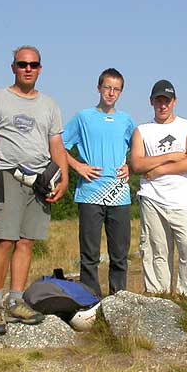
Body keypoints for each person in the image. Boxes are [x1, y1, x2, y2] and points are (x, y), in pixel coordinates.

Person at [0, 45, 68, 338]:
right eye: (22, 64)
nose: (28, 68)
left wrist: (63, 178)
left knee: (26, 242)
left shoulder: (49, 105)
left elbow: (56, 146)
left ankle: (16, 299)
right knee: (3, 240)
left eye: (33, 64)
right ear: (13, 67)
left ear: (40, 69)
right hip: (6, 176)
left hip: (39, 180)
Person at [62, 68, 135, 297]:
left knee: (120, 254)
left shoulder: (126, 120)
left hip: (119, 193)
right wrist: (78, 166)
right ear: (99, 88)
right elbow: (58, 145)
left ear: (121, 92)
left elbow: (140, 150)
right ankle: (89, 301)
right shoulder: (83, 117)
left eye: (116, 89)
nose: (111, 93)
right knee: (89, 255)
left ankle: (118, 300)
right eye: (107, 87)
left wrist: (131, 166)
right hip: (89, 193)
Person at [130, 80, 187, 298]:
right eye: (158, 100)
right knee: (156, 251)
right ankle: (158, 297)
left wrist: (159, 170)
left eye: (167, 101)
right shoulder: (142, 131)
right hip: (152, 198)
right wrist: (171, 156)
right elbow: (137, 165)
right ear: (151, 102)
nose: (163, 105)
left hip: (184, 200)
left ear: (174, 102)